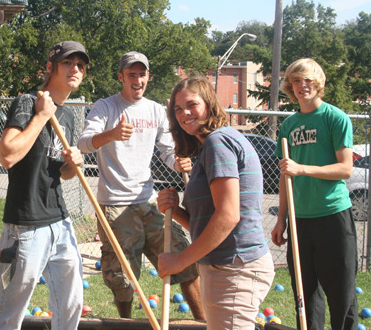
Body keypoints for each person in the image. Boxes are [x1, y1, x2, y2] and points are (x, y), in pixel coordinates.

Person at [77, 51, 205, 319]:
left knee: (184, 259)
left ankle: (202, 322)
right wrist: (110, 134)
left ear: (149, 77)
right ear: (121, 77)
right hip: (114, 203)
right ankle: (125, 323)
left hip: (149, 200)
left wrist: (178, 162)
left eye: (141, 74)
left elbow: (168, 150)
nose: (137, 79)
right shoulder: (106, 107)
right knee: (122, 276)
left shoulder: (156, 110)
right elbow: (84, 143)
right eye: (131, 74)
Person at [157, 76, 274, 330]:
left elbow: (228, 216)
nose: (184, 113)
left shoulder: (217, 142)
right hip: (226, 265)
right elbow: (210, 222)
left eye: (191, 104)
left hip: (234, 268)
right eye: (177, 109)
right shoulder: (211, 145)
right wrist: (175, 211)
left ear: (209, 104)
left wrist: (180, 261)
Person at [0, 41, 89, 330]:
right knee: (13, 306)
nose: (75, 69)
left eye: (80, 65)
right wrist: (42, 115)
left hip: (59, 221)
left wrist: (74, 163)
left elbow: (63, 175)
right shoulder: (27, 103)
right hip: (26, 225)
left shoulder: (69, 116)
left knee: (71, 300)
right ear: (50, 68)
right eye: (68, 63)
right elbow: (8, 155)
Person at [271, 58, 358, 330]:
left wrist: (303, 169)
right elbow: (286, 176)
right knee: (304, 292)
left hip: (333, 215)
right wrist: (281, 218)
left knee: (341, 290)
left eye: (307, 80)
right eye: (295, 81)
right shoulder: (288, 126)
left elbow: (345, 168)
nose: (301, 86)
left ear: (317, 83)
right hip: (300, 220)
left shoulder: (335, 118)